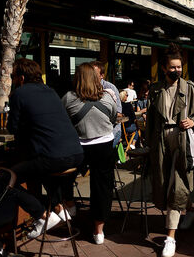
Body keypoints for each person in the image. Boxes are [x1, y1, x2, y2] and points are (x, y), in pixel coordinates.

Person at [7, 58, 84, 238]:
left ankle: (42, 216)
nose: (13, 80)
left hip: (55, 157)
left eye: (13, 76)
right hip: (77, 153)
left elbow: (13, 128)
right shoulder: (50, 91)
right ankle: (59, 209)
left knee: (6, 178)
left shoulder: (20, 93)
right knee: (42, 168)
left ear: (22, 77)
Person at [146, 44, 194, 257]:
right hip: (161, 142)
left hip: (183, 142)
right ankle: (189, 210)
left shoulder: (191, 88)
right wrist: (149, 146)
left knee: (177, 186)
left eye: (179, 67)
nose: (176, 71)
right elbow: (152, 121)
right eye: (172, 67)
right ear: (164, 68)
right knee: (166, 183)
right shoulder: (155, 89)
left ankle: (170, 238)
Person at [62, 63, 117, 245]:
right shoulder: (108, 98)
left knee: (64, 176)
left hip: (78, 147)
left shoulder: (68, 98)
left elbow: (64, 121)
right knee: (102, 187)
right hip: (104, 145)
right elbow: (113, 117)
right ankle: (98, 232)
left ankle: (69, 205)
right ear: (96, 78)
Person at [89, 61, 123, 147]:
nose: (90, 76)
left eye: (93, 73)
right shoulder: (86, 89)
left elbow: (118, 114)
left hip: (111, 131)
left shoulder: (110, 88)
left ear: (102, 75)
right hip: (92, 132)